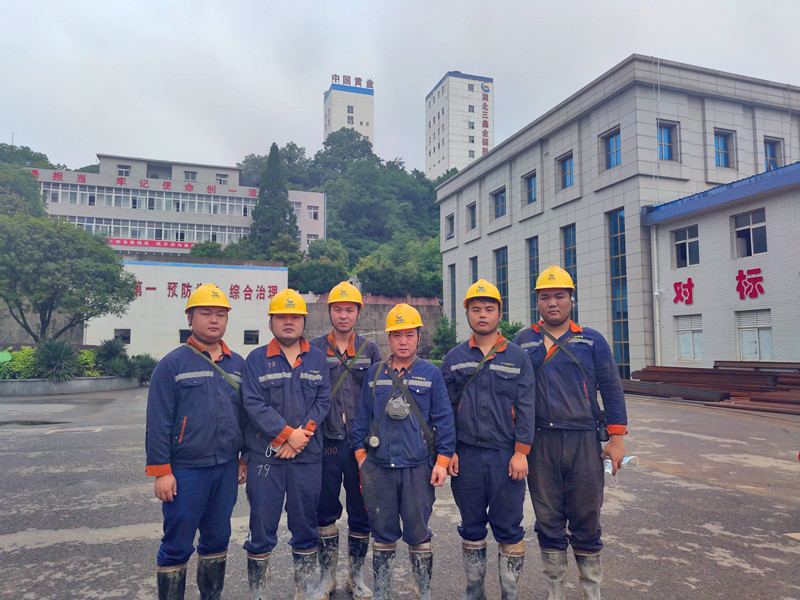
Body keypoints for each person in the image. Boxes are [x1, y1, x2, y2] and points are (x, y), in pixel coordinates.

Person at [513, 266, 627, 600]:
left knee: (587, 514)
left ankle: (591, 590)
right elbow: (513, 393)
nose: (553, 303)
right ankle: (555, 590)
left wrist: (617, 439)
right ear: (537, 302)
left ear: (571, 300)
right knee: (547, 515)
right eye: (545, 297)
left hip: (584, 440)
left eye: (559, 296)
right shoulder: (524, 341)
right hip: (541, 441)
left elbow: (611, 388)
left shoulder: (591, 340)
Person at [145, 283, 247, 600]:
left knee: (217, 538)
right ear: (190, 318)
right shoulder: (172, 364)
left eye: (220, 314)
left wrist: (243, 458)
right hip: (186, 470)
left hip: (226, 468)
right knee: (177, 543)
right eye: (206, 313)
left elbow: (246, 417)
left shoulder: (238, 365)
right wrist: (161, 471)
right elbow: (158, 422)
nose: (214, 320)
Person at [351, 303, 456, 600]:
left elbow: (444, 420)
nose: (403, 341)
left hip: (417, 469)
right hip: (379, 469)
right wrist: (362, 460)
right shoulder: (375, 374)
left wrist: (442, 462)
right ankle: (382, 593)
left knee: (418, 534)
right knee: (382, 534)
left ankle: (423, 593)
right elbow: (361, 420)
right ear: (389, 338)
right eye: (397, 335)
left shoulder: (431, 373)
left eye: (409, 335)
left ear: (418, 337)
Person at [442, 279, 536, 600]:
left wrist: (521, 452)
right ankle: (474, 591)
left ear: (499, 313)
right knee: (471, 525)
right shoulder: (454, 358)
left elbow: (527, 406)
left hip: (505, 456)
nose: (482, 314)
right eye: (476, 309)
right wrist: (449, 451)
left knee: (509, 527)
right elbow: (445, 410)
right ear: (467, 313)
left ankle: (510, 592)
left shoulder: (517, 357)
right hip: (466, 456)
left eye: (489, 309)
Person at [241, 289, 332, 600]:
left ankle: (303, 591)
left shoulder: (317, 358)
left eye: (295, 316)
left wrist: (301, 435)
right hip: (267, 457)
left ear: (304, 321)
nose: (288, 322)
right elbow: (253, 404)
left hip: (307, 455)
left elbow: (323, 400)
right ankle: (260, 594)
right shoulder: (256, 360)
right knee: (261, 527)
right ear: (271, 322)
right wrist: (285, 434)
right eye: (282, 317)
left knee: (305, 526)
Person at [308, 282, 382, 600]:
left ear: (358, 312)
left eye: (349, 309)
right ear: (329, 312)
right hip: (325, 444)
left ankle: (356, 576)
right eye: (337, 309)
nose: (343, 315)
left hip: (359, 446)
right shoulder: (314, 349)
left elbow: (378, 397)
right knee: (324, 510)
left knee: (361, 511)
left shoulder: (370, 350)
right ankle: (327, 577)